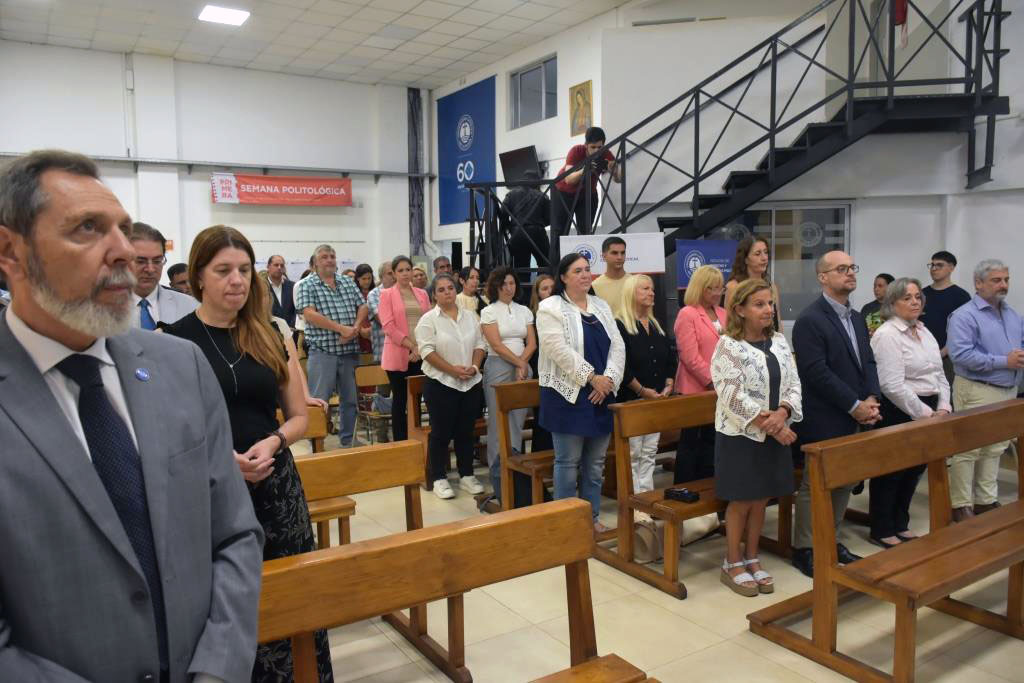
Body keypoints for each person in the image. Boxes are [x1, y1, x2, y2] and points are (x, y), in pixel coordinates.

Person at [0, 150, 262, 682]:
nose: (123, 250)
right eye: (88, 229)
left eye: (122, 228)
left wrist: (217, 671)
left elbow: (234, 534)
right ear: (11, 251)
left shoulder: (178, 366)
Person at [162, 226, 333, 682]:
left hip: (276, 486)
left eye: (243, 270)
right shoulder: (173, 341)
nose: (236, 280)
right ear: (198, 276)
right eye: (223, 271)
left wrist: (276, 440)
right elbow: (167, 433)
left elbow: (299, 416)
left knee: (292, 591)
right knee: (227, 597)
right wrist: (219, 459)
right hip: (211, 488)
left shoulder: (268, 334)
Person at [790, 251, 881, 578]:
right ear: (822, 277)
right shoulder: (810, 320)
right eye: (840, 269)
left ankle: (831, 539)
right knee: (814, 485)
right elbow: (816, 372)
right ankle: (805, 548)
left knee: (844, 481)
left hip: (856, 411)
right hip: (826, 415)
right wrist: (854, 405)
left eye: (852, 268)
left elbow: (868, 362)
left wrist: (871, 397)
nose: (850, 274)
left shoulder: (856, 318)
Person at [712, 279, 802, 596]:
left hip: (774, 430)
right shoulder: (728, 346)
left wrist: (784, 412)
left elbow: (793, 383)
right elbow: (732, 396)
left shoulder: (777, 340)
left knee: (762, 497)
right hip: (741, 435)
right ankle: (732, 561)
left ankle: (752, 556)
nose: (768, 310)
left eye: (770, 303)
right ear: (740, 309)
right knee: (742, 499)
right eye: (759, 304)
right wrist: (776, 426)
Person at [537, 253, 625, 532]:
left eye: (588, 270)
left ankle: (592, 517)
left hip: (602, 394)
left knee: (596, 463)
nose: (585, 275)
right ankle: (565, 523)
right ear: (563, 277)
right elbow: (557, 349)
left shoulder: (600, 305)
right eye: (578, 271)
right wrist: (591, 378)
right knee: (568, 462)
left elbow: (618, 346)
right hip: (568, 395)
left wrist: (607, 380)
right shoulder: (550, 307)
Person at [869, 277, 950, 546]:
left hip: (930, 408)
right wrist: (926, 414)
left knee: (914, 471)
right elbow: (891, 385)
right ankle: (882, 528)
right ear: (892, 304)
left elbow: (940, 374)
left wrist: (944, 407)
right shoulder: (887, 334)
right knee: (891, 473)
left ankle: (900, 523)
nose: (915, 301)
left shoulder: (925, 331)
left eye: (917, 297)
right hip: (900, 410)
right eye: (907, 298)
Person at [946, 259, 1024, 521]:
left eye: (1006, 280)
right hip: (978, 389)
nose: (1003, 285)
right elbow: (961, 356)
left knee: (996, 447)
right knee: (969, 449)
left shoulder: (1012, 314)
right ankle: (961, 505)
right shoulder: (964, 315)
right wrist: (1005, 361)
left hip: (1008, 389)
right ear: (978, 283)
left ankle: (985, 500)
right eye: (996, 280)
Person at [416, 273, 487, 499]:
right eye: (441, 289)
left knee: (466, 431)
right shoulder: (428, 319)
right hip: (441, 383)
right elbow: (427, 351)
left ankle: (466, 475)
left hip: (470, 381)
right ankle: (439, 477)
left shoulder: (470, 317)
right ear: (434, 295)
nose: (447, 292)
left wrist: (474, 367)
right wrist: (452, 370)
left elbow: (480, 344)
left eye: (450, 288)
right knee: (441, 432)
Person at [295, 244, 368, 448]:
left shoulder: (346, 281)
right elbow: (308, 314)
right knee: (319, 402)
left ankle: (348, 440)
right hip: (322, 352)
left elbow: (362, 305)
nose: (329, 260)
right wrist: (340, 329)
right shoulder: (307, 284)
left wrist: (354, 328)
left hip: (348, 351)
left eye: (332, 256)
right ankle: (316, 442)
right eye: (325, 257)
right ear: (316, 262)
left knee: (350, 401)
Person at [480, 266, 537, 504]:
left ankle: (517, 477)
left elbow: (532, 342)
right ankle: (500, 482)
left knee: (517, 423)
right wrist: (518, 362)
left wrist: (522, 364)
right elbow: (496, 344)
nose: (509, 288)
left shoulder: (524, 310)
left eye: (512, 283)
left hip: (522, 367)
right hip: (498, 367)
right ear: (496, 287)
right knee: (498, 425)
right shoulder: (488, 311)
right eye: (504, 284)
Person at [615, 274, 676, 493]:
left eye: (652, 289)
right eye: (645, 289)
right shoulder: (620, 325)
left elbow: (670, 356)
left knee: (650, 452)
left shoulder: (655, 324)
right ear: (632, 292)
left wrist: (669, 382)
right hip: (632, 399)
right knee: (633, 454)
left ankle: (646, 497)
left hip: (656, 398)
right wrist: (641, 390)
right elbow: (621, 366)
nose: (651, 293)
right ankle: (634, 503)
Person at [673, 265, 727, 483]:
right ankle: (685, 488)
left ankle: (709, 489)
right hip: (696, 388)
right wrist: (712, 380)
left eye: (719, 288)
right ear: (701, 288)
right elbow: (689, 356)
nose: (717, 293)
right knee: (691, 442)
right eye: (712, 288)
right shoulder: (688, 314)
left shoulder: (724, 313)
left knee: (712, 441)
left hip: (722, 388)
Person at [550, 127, 622, 265]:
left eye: (599, 147)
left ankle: (583, 267)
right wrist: (585, 169)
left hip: (588, 194)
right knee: (559, 233)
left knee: (586, 232)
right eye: (593, 147)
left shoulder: (606, 154)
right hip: (563, 193)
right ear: (586, 146)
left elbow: (618, 179)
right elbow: (569, 179)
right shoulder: (576, 151)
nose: (596, 150)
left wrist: (615, 170)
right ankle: (555, 272)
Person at [379, 255, 431, 442]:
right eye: (400, 270)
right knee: (400, 400)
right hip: (398, 354)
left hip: (421, 353)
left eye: (408, 269)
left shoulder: (422, 294)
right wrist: (412, 346)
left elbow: (428, 322)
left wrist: (420, 348)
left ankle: (416, 439)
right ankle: (401, 442)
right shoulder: (386, 294)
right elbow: (388, 326)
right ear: (394, 273)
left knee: (416, 400)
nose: (405, 273)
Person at [129, 221, 197, 328]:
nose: (150, 269)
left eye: (157, 261)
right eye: (141, 261)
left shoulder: (190, 307)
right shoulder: (101, 308)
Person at [921, 250, 972, 387]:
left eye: (939, 265)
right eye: (931, 265)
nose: (934, 268)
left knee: (947, 400)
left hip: (948, 359)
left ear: (951, 268)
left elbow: (964, 332)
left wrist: (942, 353)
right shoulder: (921, 294)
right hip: (920, 357)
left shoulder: (961, 296)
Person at [724, 235, 781, 330]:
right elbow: (727, 323)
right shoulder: (734, 287)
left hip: (770, 341)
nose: (764, 258)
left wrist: (780, 342)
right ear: (745, 259)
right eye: (757, 254)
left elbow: (777, 321)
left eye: (766, 252)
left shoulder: (772, 287)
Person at [502, 168, 551, 275]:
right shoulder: (542, 195)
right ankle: (543, 289)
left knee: (521, 268)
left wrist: (509, 227)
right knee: (545, 265)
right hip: (537, 233)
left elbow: (503, 212)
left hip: (517, 234)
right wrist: (539, 222)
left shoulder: (511, 194)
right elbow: (550, 218)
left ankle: (524, 291)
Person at [528, 273, 556, 453]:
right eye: (544, 289)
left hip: (561, 370)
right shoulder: (533, 316)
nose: (549, 292)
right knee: (543, 419)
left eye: (552, 288)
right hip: (541, 370)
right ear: (538, 294)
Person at [366, 259, 396, 363]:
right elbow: (383, 319)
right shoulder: (374, 294)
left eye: (395, 272)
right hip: (383, 351)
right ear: (381, 277)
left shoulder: (404, 292)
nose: (394, 276)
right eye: (389, 273)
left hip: (405, 352)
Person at [591, 236, 629, 317]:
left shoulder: (635, 283)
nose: (619, 257)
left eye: (622, 253)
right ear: (604, 256)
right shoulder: (595, 286)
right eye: (614, 253)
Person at [267, 254, 296, 329]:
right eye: (276, 265)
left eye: (282, 265)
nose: (279, 268)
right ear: (268, 267)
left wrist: (290, 326)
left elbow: (297, 309)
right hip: (270, 332)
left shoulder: (292, 286)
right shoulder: (261, 287)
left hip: (291, 332)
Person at [861, 272, 894, 336]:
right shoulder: (867, 308)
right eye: (874, 286)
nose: (876, 289)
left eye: (880, 286)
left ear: (890, 287)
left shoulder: (898, 307)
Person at [354, 263, 376, 354]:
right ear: (358, 278)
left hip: (374, 331)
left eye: (369, 278)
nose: (367, 281)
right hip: (358, 332)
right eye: (364, 279)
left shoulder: (376, 293)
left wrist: (372, 329)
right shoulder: (353, 293)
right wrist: (361, 329)